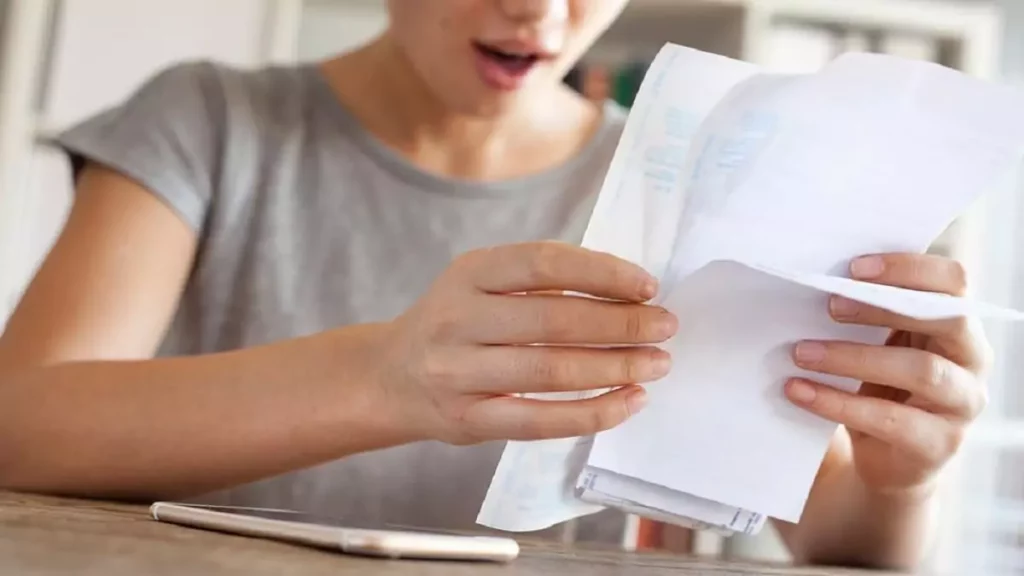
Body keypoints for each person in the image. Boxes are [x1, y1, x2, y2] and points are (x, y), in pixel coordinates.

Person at [0, 0, 990, 569]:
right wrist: (381, 378)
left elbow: (834, 533)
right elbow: (22, 421)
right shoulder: (210, 122)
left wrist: (903, 481)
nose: (541, 12)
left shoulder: (684, 188)